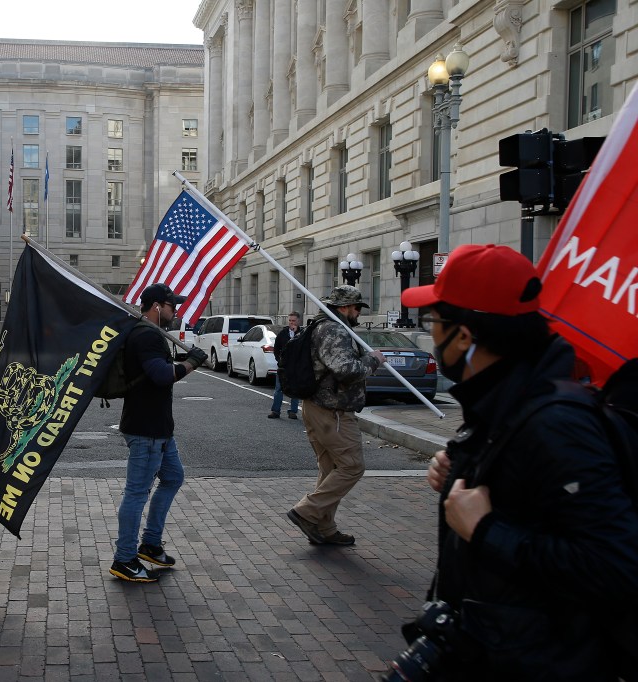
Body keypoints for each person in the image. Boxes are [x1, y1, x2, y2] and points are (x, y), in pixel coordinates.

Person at [397, 243, 638, 679]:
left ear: (465, 336)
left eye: (435, 321)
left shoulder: (557, 423)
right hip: (493, 646)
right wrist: (461, 466)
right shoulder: (506, 401)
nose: (432, 334)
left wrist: (487, 530)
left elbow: (616, 566)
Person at [109, 283, 208, 583]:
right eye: (171, 305)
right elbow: (163, 376)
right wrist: (192, 362)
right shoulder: (146, 335)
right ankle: (124, 559)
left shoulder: (148, 333)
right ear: (156, 306)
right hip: (146, 429)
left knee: (173, 477)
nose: (175, 310)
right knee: (137, 493)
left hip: (159, 428)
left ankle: (150, 544)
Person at [286, 285, 384, 546]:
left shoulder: (325, 327)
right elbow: (346, 370)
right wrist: (373, 361)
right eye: (355, 308)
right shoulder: (334, 329)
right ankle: (306, 511)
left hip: (321, 409)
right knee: (352, 467)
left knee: (331, 469)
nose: (357, 313)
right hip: (332, 412)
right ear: (343, 308)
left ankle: (324, 527)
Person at [269, 311, 302, 419]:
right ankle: (275, 411)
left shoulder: (302, 334)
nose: (291, 323)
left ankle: (293, 411)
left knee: (295, 389)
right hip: (283, 366)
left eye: (294, 321)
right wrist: (279, 361)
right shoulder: (283, 333)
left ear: (298, 321)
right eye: (290, 320)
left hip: (296, 367)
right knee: (279, 389)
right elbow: (276, 348)